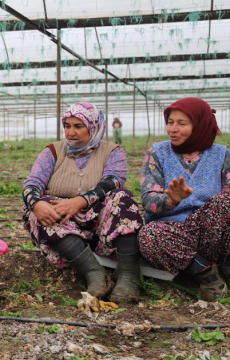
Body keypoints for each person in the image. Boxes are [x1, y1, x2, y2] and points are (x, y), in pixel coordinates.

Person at [22, 102, 143, 304]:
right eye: (67, 126)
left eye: (78, 126)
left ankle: (129, 275)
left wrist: (81, 201)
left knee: (122, 197)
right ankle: (94, 272)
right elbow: (32, 184)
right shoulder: (52, 151)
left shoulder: (113, 151)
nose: (71, 132)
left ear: (94, 127)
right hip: (64, 222)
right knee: (36, 209)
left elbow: (113, 180)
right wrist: (36, 204)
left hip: (100, 225)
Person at [138, 97, 230, 301]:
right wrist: (170, 201)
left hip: (211, 230)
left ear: (199, 125)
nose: (173, 129)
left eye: (182, 123)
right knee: (149, 236)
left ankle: (224, 261)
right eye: (170, 122)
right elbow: (148, 200)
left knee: (225, 204)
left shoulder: (222, 155)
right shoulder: (157, 153)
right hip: (173, 231)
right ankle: (205, 272)